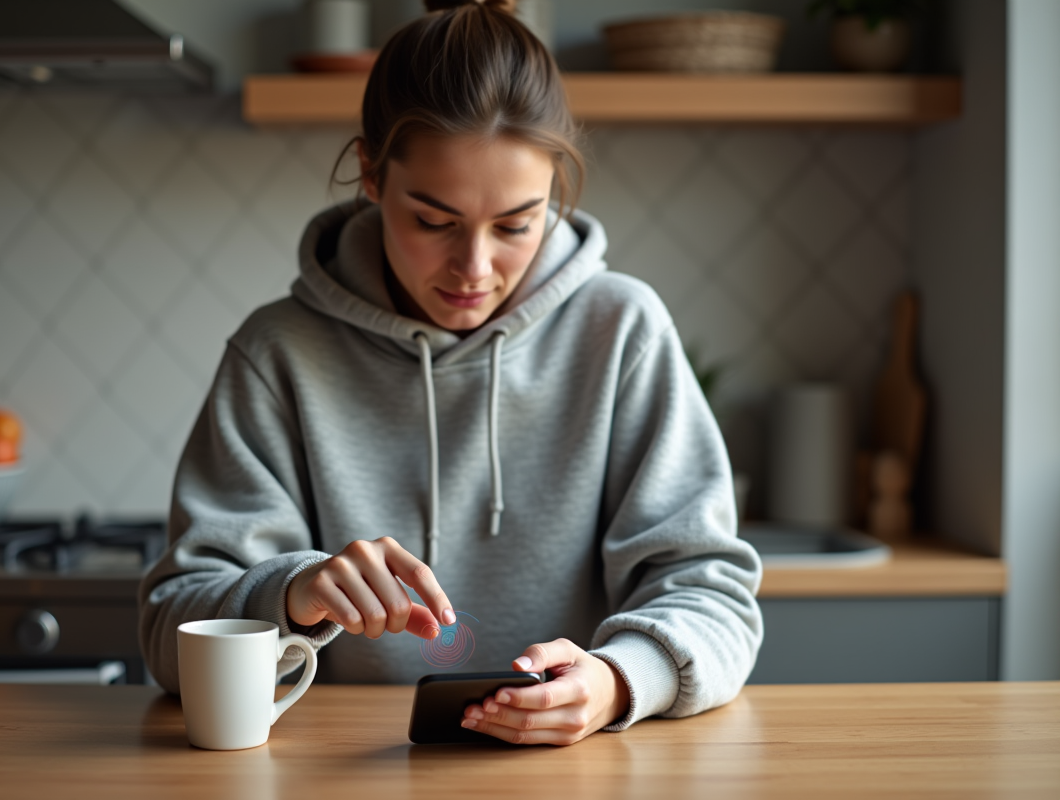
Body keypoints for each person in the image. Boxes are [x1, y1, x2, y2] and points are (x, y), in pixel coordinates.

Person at [139, 0, 762, 746]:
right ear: (370, 172)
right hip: (343, 776)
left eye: (515, 225)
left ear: (556, 189)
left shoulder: (621, 331)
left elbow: (714, 600)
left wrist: (616, 680)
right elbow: (167, 636)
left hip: (578, 774)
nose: (473, 269)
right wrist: (293, 591)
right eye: (434, 221)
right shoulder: (276, 355)